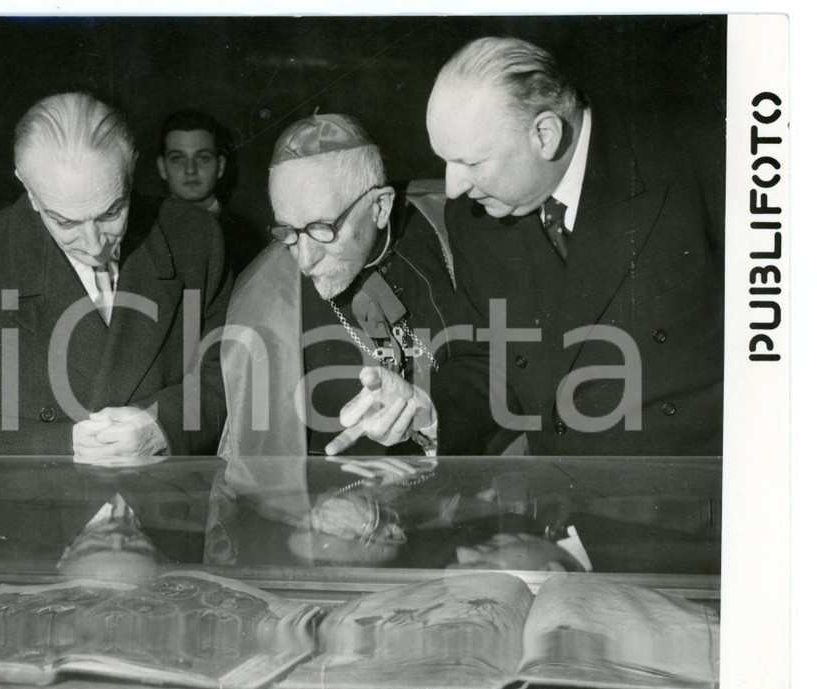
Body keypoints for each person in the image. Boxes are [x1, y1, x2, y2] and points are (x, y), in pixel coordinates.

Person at [425, 37, 724, 456]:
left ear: (545, 134)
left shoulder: (705, 158)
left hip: (690, 497)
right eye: (446, 160)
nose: (453, 187)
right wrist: (425, 409)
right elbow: (490, 362)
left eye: (472, 163)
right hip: (559, 502)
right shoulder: (474, 216)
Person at [0, 92, 231, 458]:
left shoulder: (195, 238)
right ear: (28, 188)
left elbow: (232, 374)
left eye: (111, 212)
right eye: (65, 221)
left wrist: (165, 425)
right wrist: (61, 445)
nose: (94, 243)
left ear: (132, 169)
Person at [221, 113, 494, 458]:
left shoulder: (455, 228)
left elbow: (496, 366)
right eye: (287, 232)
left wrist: (432, 409)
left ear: (380, 207)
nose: (304, 260)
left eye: (323, 229)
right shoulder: (261, 298)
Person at [156, 109, 265, 276]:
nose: (190, 170)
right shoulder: (143, 233)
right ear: (163, 167)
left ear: (220, 166)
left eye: (203, 158)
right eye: (178, 158)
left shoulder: (246, 239)